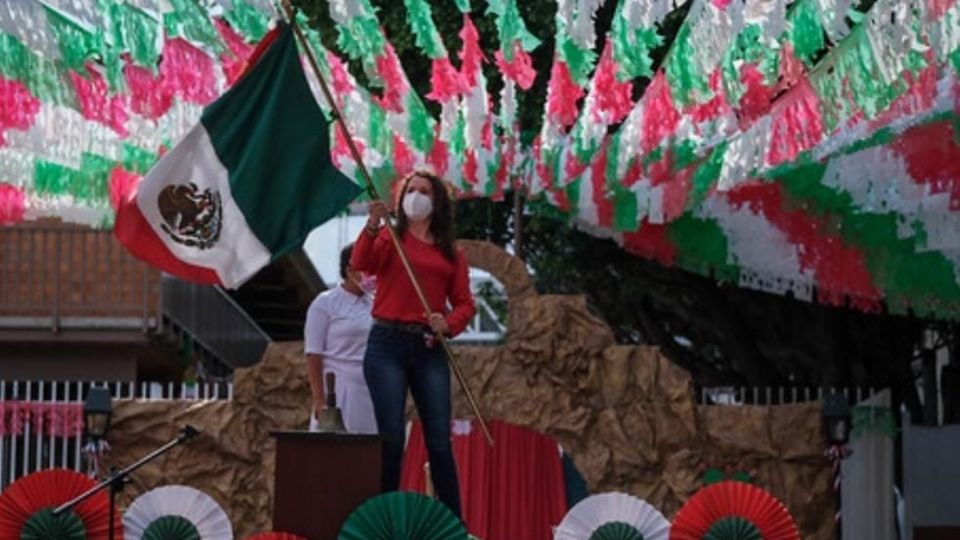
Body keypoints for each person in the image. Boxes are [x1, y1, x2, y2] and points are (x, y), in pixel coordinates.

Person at [351, 170, 476, 519]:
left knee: (439, 441)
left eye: (424, 191)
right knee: (391, 437)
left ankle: (454, 523)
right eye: (411, 190)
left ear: (436, 202)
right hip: (387, 343)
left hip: (428, 348)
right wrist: (373, 225)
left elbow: (465, 304)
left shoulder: (452, 253)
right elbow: (361, 265)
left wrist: (447, 323)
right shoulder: (390, 237)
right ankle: (383, 518)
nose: (416, 196)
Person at [304, 243, 378, 434]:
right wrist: (319, 398)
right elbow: (314, 354)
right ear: (350, 269)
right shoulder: (325, 303)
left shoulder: (375, 304)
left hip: (369, 387)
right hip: (338, 387)